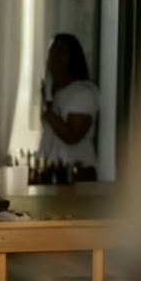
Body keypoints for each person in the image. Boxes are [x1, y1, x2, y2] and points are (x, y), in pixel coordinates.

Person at [38, 33, 99, 180]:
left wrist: (48, 113)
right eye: (53, 49)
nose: (56, 54)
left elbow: (72, 136)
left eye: (62, 50)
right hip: (54, 174)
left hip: (76, 178)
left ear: (74, 58)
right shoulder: (52, 93)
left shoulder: (83, 92)